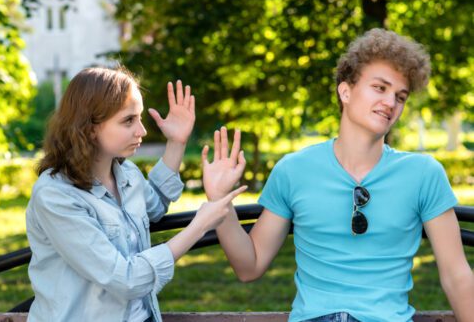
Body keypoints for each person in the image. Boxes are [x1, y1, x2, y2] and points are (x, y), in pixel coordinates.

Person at [202, 29, 473, 321]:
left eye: (400, 96)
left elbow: (457, 276)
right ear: (345, 91)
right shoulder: (293, 170)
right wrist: (221, 202)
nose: (391, 102)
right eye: (380, 88)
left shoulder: (424, 174)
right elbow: (249, 267)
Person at [25, 67, 246, 322]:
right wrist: (199, 226)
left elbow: (154, 205)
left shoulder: (125, 171)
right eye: (128, 120)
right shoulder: (56, 195)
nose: (141, 130)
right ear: (90, 127)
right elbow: (125, 280)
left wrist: (176, 142)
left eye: (139, 118)